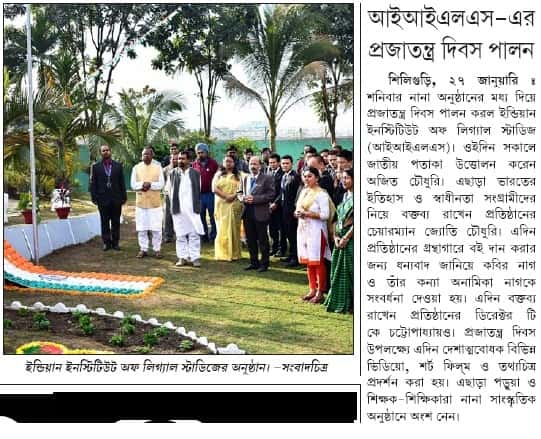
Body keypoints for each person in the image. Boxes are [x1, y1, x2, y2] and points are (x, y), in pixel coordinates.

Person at [295, 167, 335, 304]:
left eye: (310, 176)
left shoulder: (321, 194)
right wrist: (298, 213)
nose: (306, 178)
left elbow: (325, 215)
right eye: (305, 176)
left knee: (318, 262)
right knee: (309, 263)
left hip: (317, 231)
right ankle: (312, 289)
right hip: (304, 230)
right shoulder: (304, 191)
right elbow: (298, 208)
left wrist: (307, 214)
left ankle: (320, 292)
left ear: (317, 178)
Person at [324, 169, 353, 313]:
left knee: (351, 272)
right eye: (342, 178)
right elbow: (336, 218)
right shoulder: (342, 196)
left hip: (351, 240)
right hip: (339, 239)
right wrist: (335, 236)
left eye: (347, 178)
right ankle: (340, 301)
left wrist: (346, 238)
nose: (344, 181)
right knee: (337, 271)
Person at [239, 156, 275, 272]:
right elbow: (239, 192)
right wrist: (242, 198)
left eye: (255, 164)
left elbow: (271, 195)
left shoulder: (267, 178)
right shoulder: (245, 178)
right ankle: (253, 262)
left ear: (260, 166)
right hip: (247, 212)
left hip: (260, 213)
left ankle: (264, 264)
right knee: (250, 239)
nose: (253, 166)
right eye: (251, 164)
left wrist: (255, 199)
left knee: (263, 240)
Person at [169, 150, 204, 267]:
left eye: (183, 159)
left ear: (189, 160)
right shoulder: (172, 173)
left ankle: (195, 258)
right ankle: (182, 257)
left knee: (194, 234)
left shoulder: (195, 173)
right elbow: (169, 190)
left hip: (192, 209)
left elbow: (198, 191)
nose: (180, 161)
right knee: (180, 234)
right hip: (178, 209)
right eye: (179, 158)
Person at [89, 144, 127, 251]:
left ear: (110, 151)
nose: (106, 152)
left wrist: (124, 197)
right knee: (104, 221)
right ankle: (106, 243)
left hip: (116, 199)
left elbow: (122, 183)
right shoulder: (96, 167)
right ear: (101, 153)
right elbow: (93, 183)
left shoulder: (118, 166)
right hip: (102, 199)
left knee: (115, 222)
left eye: (107, 150)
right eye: (103, 151)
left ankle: (115, 243)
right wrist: (94, 197)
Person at [131, 147, 165, 258]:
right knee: (142, 228)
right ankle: (143, 249)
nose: (145, 156)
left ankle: (157, 249)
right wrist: (142, 185)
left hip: (155, 204)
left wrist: (150, 185)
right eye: (143, 154)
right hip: (141, 203)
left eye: (147, 154)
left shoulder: (158, 168)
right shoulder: (136, 168)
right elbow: (133, 184)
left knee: (156, 228)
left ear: (152, 155)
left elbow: (161, 184)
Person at [213, 155, 243, 261]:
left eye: (230, 161)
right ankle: (223, 254)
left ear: (234, 163)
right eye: (226, 161)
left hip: (235, 204)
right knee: (222, 229)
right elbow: (214, 188)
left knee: (234, 229)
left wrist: (233, 196)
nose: (228, 163)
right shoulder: (219, 175)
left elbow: (241, 188)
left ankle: (234, 253)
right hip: (221, 204)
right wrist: (226, 196)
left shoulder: (239, 175)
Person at [192, 143, 219, 242]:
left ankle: (214, 236)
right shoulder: (194, 164)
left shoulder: (213, 163)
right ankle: (204, 236)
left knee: (213, 216)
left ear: (207, 152)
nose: (200, 154)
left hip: (211, 194)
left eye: (202, 152)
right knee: (201, 216)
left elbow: (218, 178)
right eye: (198, 153)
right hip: (199, 195)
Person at [277, 155, 301, 267]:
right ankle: (291, 255)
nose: (285, 165)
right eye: (283, 163)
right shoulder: (284, 176)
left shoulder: (295, 177)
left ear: (292, 164)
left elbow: (298, 195)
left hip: (292, 211)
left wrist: (295, 209)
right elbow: (281, 193)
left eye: (287, 163)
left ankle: (296, 258)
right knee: (287, 234)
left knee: (293, 235)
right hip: (283, 209)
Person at [267, 153, 286, 257]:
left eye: (274, 162)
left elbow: (282, 191)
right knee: (272, 228)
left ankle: (281, 249)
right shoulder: (268, 172)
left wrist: (275, 203)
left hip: (279, 206)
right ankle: (273, 248)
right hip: (269, 205)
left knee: (281, 229)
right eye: (270, 163)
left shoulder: (283, 173)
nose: (272, 164)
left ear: (278, 163)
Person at [162, 153, 179, 243]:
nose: (175, 160)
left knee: (179, 215)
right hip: (168, 195)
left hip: (179, 196)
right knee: (167, 215)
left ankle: (179, 235)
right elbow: (162, 182)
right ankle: (167, 235)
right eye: (173, 159)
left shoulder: (182, 169)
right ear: (170, 159)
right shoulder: (165, 170)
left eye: (177, 159)